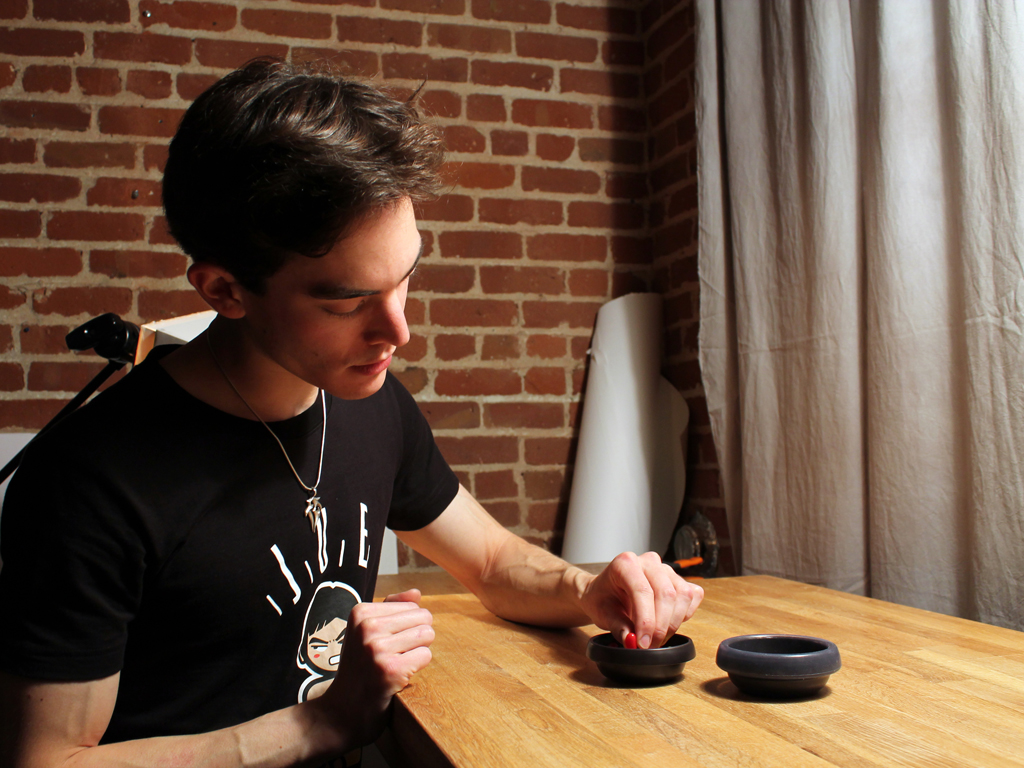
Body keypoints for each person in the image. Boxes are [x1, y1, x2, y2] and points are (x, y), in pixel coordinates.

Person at [0, 59, 703, 768]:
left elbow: (490, 561)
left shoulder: (371, 403)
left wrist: (589, 590)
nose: (398, 332)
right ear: (225, 289)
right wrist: (318, 725)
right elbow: (47, 761)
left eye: (405, 280)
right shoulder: (90, 482)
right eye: (345, 302)